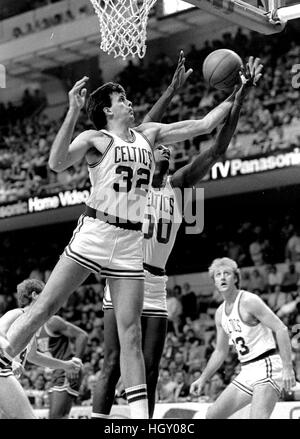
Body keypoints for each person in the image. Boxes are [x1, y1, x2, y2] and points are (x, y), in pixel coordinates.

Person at [2, 51, 249, 419]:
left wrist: (240, 89)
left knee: (131, 334)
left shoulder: (148, 134)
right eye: (122, 100)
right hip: (95, 231)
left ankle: (137, 422)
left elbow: (205, 124)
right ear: (106, 110)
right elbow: (56, 163)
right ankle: (5, 358)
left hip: (130, 243)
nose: (130, 103)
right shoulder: (95, 139)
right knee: (47, 305)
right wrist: (71, 110)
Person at [91, 57, 263, 418]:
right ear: (146, 155)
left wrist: (241, 93)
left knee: (151, 371)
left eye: (168, 149)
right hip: (125, 274)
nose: (165, 149)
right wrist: (169, 93)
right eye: (158, 149)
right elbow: (139, 133)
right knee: (112, 363)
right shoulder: (132, 180)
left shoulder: (179, 185)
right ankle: (99, 421)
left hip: (156, 286)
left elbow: (217, 148)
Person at [190, 257, 296, 419]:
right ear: (215, 282)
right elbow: (220, 351)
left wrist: (288, 367)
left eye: (227, 273)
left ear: (236, 278)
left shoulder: (249, 301)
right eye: (218, 275)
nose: (223, 277)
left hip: (267, 366)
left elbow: (281, 328)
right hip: (247, 370)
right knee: (212, 416)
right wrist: (203, 378)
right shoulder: (219, 313)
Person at [0, 279, 82, 419]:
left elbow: (33, 356)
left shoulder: (33, 325)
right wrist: (9, 361)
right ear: (34, 295)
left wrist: (65, 365)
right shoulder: (18, 314)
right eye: (45, 294)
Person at [32, 281, 88, 419]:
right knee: (58, 416)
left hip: (67, 370)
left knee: (56, 417)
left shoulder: (52, 321)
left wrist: (76, 362)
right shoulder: (31, 327)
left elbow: (82, 335)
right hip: (54, 374)